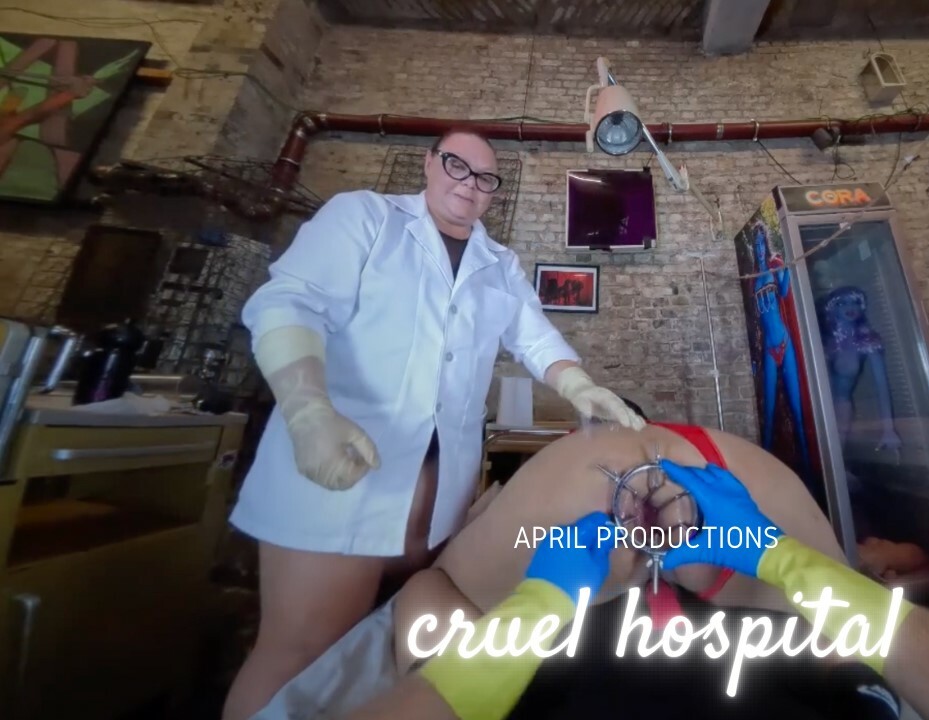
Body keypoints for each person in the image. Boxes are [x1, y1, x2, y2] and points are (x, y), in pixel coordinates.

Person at [222, 128, 645, 720]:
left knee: (384, 649)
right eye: (456, 165)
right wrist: (306, 408)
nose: (470, 185)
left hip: (436, 494)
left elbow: (533, 336)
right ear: (428, 164)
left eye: (485, 178)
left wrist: (578, 384)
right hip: (341, 469)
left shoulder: (498, 263)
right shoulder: (365, 219)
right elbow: (288, 302)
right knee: (301, 652)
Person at [337, 420, 929, 720]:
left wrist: (539, 604)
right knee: (432, 588)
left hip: (572, 636)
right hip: (736, 611)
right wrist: (784, 559)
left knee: (430, 587)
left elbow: (428, 598)